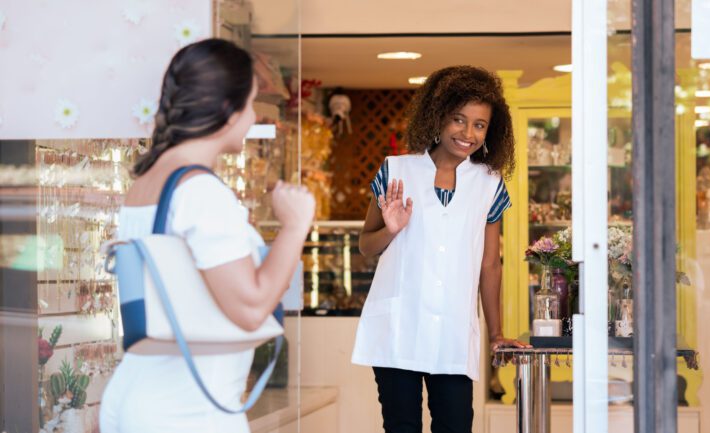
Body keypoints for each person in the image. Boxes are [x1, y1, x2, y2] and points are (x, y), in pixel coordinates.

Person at [99, 39, 315, 433]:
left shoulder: (148, 182)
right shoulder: (199, 190)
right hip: (187, 409)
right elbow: (251, 309)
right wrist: (295, 226)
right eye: (250, 104)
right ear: (227, 112)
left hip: (142, 395)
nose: (252, 118)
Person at [351, 65, 530, 433]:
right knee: (401, 426)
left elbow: (490, 264)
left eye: (479, 125)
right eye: (458, 120)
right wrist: (391, 228)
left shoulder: (489, 183)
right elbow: (366, 246)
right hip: (398, 327)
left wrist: (496, 333)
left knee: (456, 424)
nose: (468, 133)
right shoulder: (395, 170)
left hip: (452, 330)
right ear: (438, 117)